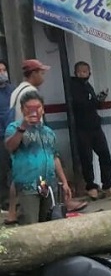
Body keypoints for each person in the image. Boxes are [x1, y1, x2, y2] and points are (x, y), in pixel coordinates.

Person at [4, 91, 72, 225]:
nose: (34, 112)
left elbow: (54, 157)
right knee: (30, 225)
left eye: (38, 107)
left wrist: (64, 182)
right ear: (23, 109)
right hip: (28, 186)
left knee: (49, 223)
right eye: (29, 108)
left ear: (43, 109)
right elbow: (10, 147)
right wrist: (22, 127)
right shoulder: (13, 128)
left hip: (49, 186)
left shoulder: (48, 132)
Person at [70, 61, 111, 200]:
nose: (83, 74)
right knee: (86, 159)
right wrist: (93, 101)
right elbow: (81, 104)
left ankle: (107, 185)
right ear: (76, 72)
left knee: (105, 156)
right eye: (80, 72)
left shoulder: (88, 86)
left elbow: (93, 105)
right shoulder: (73, 86)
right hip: (82, 128)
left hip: (95, 127)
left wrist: (99, 98)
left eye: (86, 71)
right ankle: (91, 186)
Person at [0, 60, 13, 216]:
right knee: (2, 170)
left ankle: (16, 201)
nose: (2, 73)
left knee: (16, 169)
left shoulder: (12, 90)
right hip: (0, 136)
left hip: (13, 134)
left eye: (4, 70)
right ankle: (4, 201)